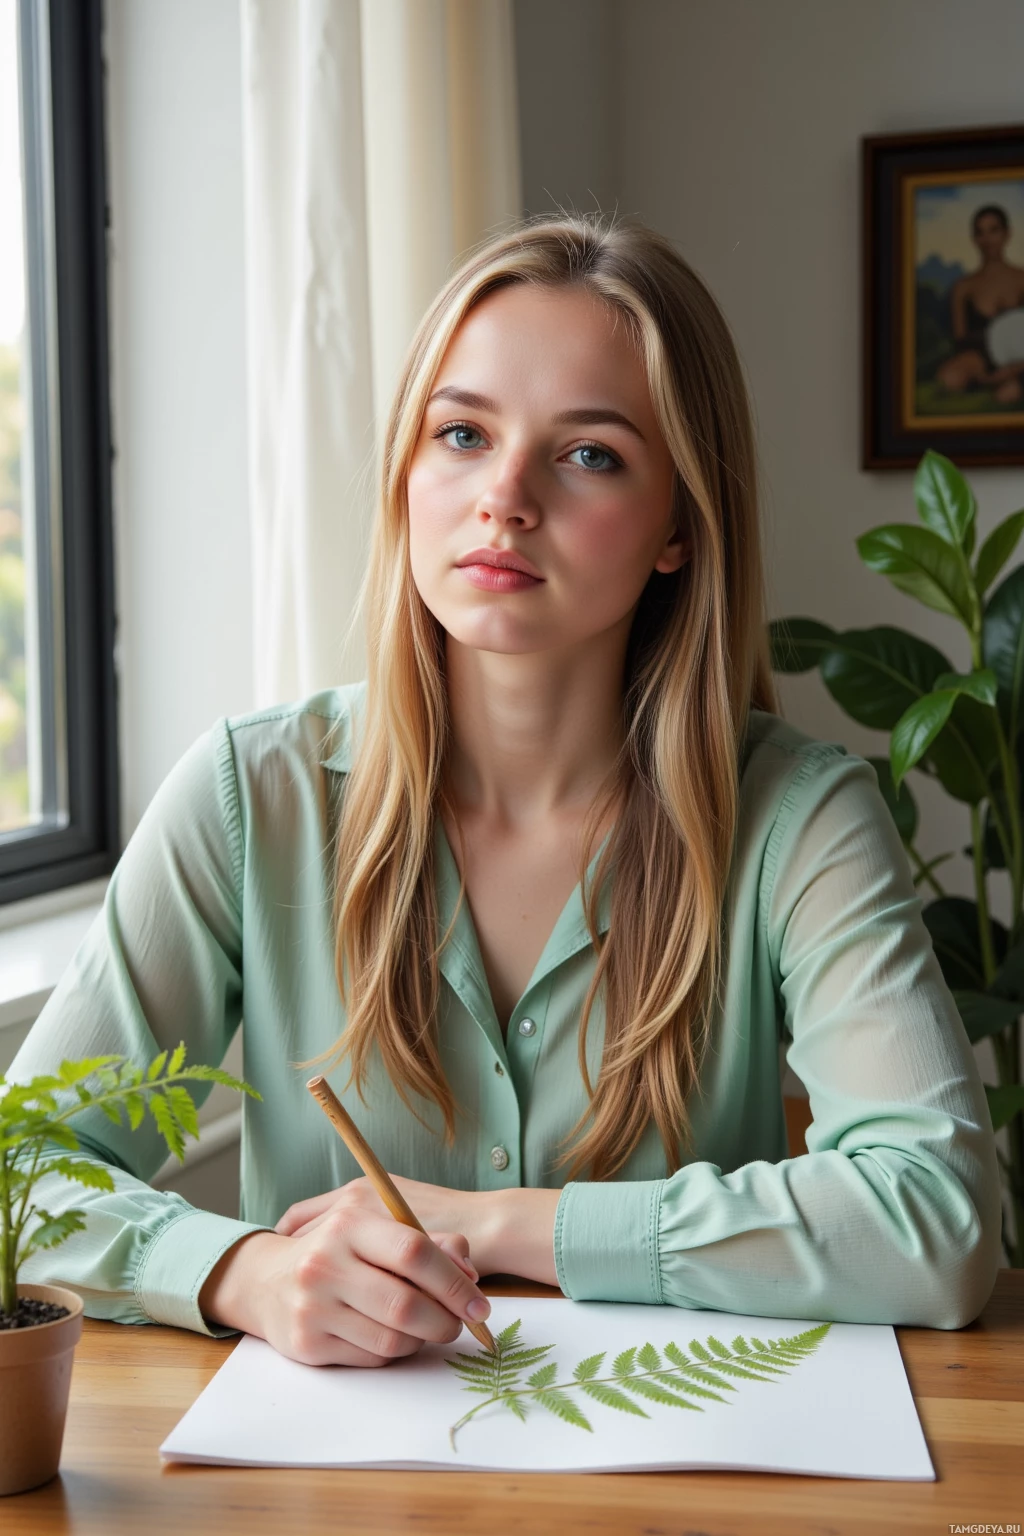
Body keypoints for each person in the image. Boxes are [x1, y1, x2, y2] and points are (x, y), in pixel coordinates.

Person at [11, 213, 1001, 1368]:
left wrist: (500, 1225)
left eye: (589, 454)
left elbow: (936, 1219)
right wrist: (242, 1273)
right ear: (406, 469)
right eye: (463, 433)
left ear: (679, 524)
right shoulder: (251, 794)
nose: (506, 498)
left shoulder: (800, 817)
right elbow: (20, 1173)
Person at [935, 203, 1024, 404]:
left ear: (1007, 234)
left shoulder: (1021, 279)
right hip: (980, 356)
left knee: (1007, 395)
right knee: (949, 378)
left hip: (1020, 359)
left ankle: (1006, 384)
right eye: (980, 233)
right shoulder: (963, 287)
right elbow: (961, 339)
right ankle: (988, 382)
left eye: (994, 231)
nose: (987, 240)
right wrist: (978, 366)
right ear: (974, 239)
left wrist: (1013, 368)